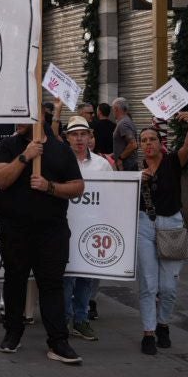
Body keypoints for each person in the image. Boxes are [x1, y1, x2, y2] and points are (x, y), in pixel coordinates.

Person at [0, 123, 85, 365]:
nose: (18, 119)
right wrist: (25, 156)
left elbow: (77, 186)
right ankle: (13, 332)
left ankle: (58, 341)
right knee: (15, 280)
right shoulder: (8, 145)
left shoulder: (60, 150)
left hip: (51, 231)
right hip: (15, 230)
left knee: (52, 284)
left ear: (40, 115)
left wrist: (50, 187)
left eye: (24, 112)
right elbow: (0, 180)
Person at [135, 111, 188, 355]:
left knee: (168, 286)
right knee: (149, 284)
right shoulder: (137, 172)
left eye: (152, 139)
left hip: (171, 224)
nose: (148, 143)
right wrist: (139, 180)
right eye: (144, 141)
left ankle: (163, 324)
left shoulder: (173, 162)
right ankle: (148, 332)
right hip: (145, 226)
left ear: (160, 143)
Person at [61, 116, 114, 341]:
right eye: (75, 134)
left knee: (85, 277)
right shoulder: (60, 161)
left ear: (90, 136)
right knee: (65, 277)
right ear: (68, 138)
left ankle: (81, 320)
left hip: (92, 228)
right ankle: (63, 320)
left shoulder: (102, 164)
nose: (79, 138)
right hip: (65, 227)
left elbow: (112, 195)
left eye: (83, 134)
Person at [111, 98, 139, 171]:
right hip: (128, 165)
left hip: (127, 166)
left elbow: (133, 145)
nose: (112, 112)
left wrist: (120, 158)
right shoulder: (126, 121)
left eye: (113, 109)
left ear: (116, 109)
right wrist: (115, 154)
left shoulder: (123, 123)